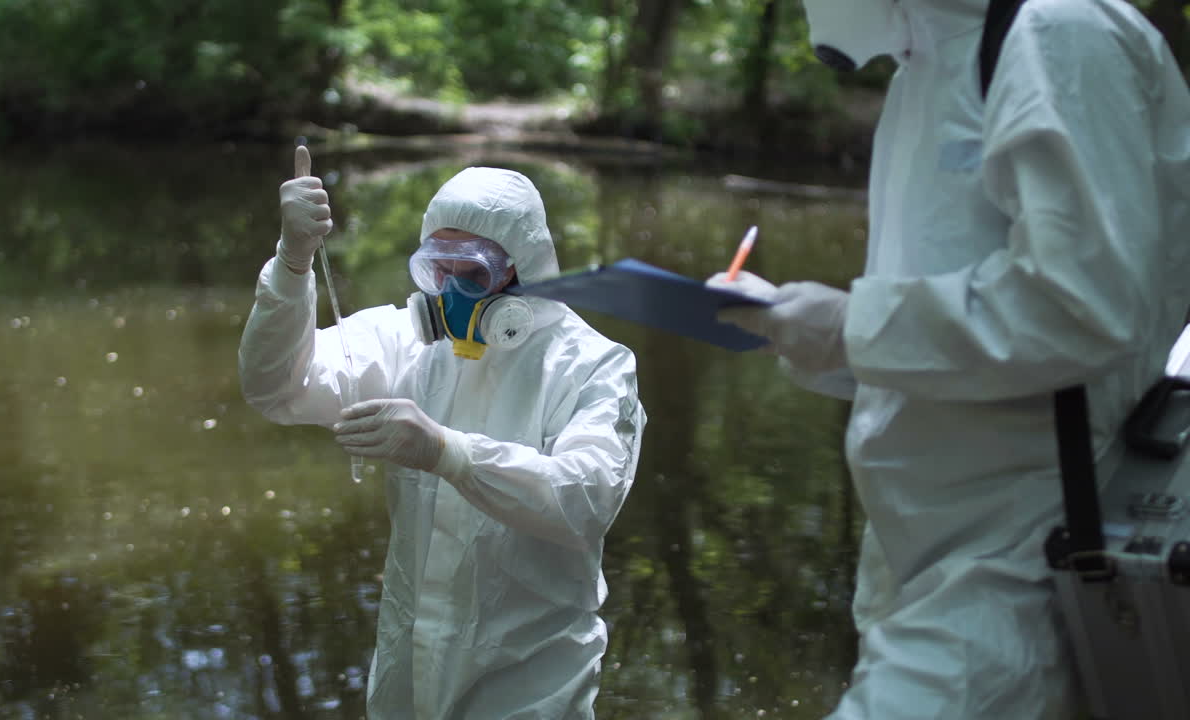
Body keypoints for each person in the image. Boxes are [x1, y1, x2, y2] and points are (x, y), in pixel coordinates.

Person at [708, 0, 1190, 718]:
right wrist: (797, 328)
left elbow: (1082, 307)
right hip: (920, 563)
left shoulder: (1060, 31)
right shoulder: (927, 66)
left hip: (1022, 561)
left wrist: (847, 327)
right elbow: (966, 339)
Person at [238, 153, 646, 719]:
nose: (452, 290)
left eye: (473, 272)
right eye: (439, 268)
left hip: (532, 685)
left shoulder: (591, 367)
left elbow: (584, 500)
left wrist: (447, 452)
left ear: (522, 267)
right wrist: (292, 264)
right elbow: (275, 387)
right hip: (408, 676)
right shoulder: (406, 342)